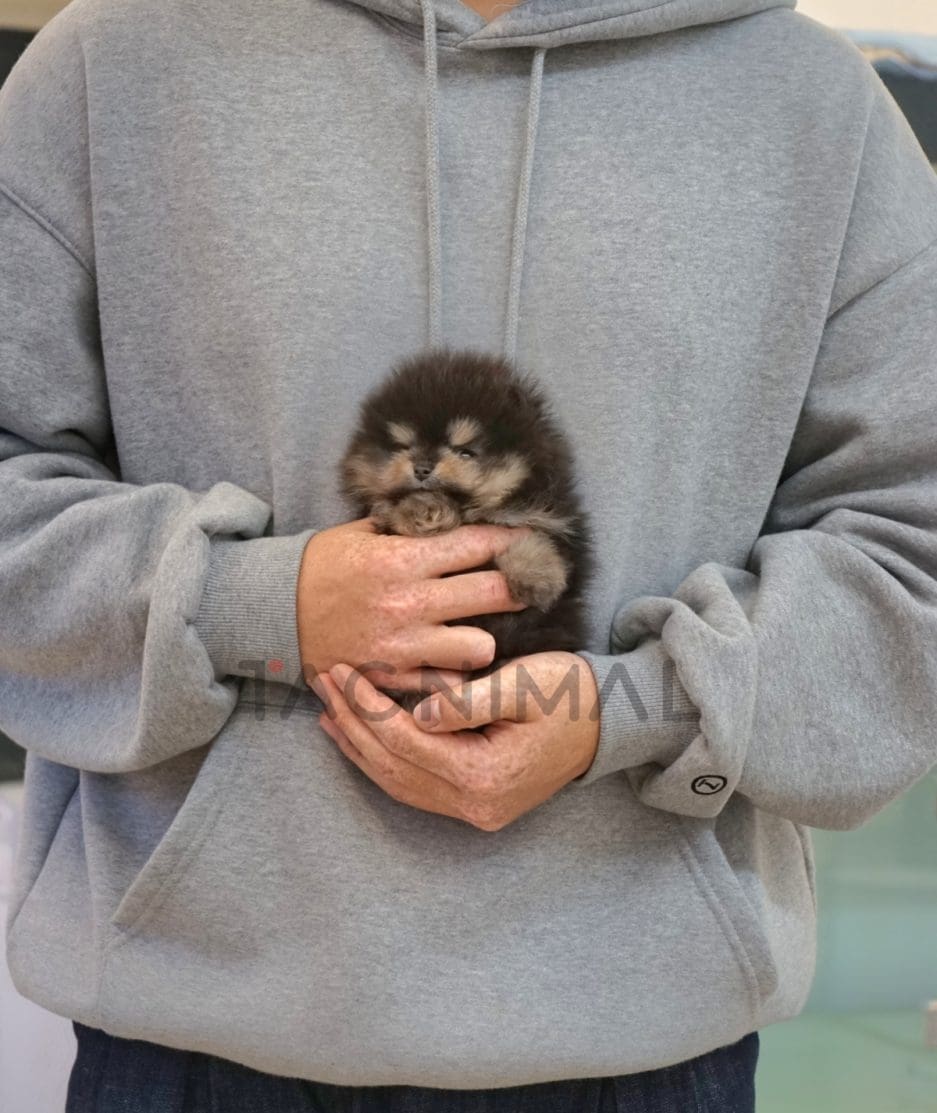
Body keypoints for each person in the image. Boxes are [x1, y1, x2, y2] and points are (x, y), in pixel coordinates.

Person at [2, 0, 937, 1109]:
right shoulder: (113, 64)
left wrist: (636, 710)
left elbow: (911, 553)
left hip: (641, 1037)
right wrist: (249, 603)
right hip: (193, 1033)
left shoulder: (818, 111)